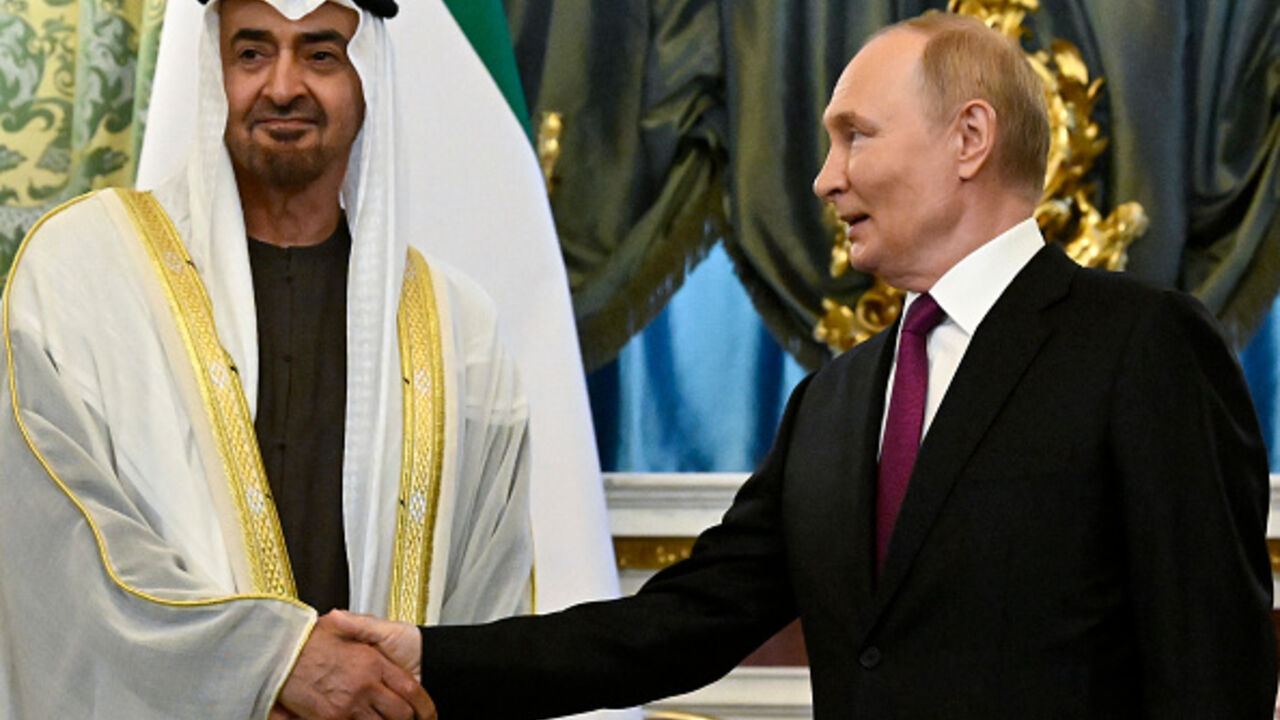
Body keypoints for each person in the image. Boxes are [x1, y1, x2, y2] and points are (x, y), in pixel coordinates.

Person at [334, 12, 1279, 719]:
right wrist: (425, 657)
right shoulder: (834, 399)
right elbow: (679, 623)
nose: (825, 178)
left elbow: (1211, 670)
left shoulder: (1141, 349)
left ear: (970, 139)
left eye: (855, 135)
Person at [0, 0, 531, 718]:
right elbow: (52, 548)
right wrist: (271, 662)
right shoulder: (82, 274)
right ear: (212, 74)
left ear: (368, 77)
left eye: (320, 54)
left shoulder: (456, 325)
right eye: (252, 53)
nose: (283, 87)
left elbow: (488, 598)